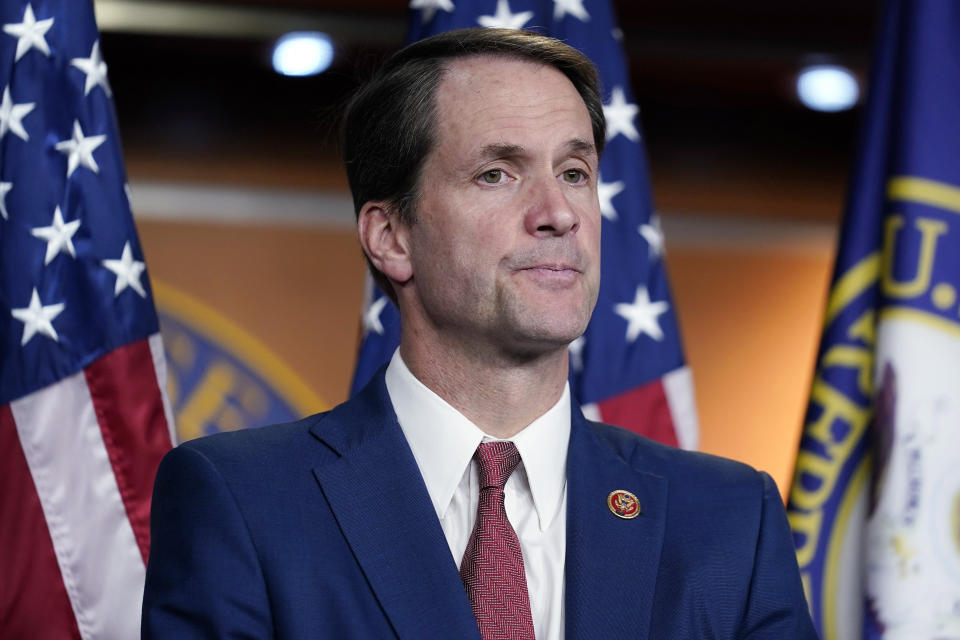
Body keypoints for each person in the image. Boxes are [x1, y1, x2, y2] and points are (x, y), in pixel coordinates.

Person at [142, 28, 817, 639]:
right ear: (392, 236)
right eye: (497, 173)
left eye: (575, 173)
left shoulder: (730, 520)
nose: (558, 213)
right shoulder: (244, 502)